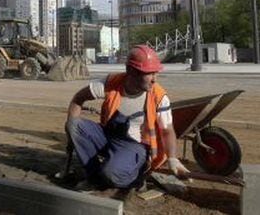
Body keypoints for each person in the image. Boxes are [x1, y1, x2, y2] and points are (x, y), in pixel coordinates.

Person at [65, 45, 189, 189]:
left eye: (156, 72)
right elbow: (78, 98)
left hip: (134, 146)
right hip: (107, 136)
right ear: (131, 71)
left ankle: (135, 177)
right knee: (74, 124)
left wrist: (172, 159)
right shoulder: (111, 83)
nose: (154, 79)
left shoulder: (159, 96)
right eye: (149, 73)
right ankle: (94, 176)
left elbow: (167, 131)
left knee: (111, 174)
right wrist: (71, 137)